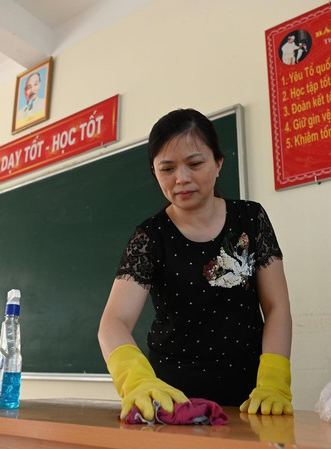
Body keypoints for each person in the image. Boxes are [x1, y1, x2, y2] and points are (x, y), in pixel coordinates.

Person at [98, 108, 293, 422]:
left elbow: (276, 306)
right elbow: (113, 322)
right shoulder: (150, 236)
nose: (182, 178)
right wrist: (135, 379)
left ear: (218, 163)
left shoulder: (251, 218)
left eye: (195, 163)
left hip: (250, 395)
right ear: (155, 173)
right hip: (173, 399)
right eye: (167, 168)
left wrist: (273, 379)